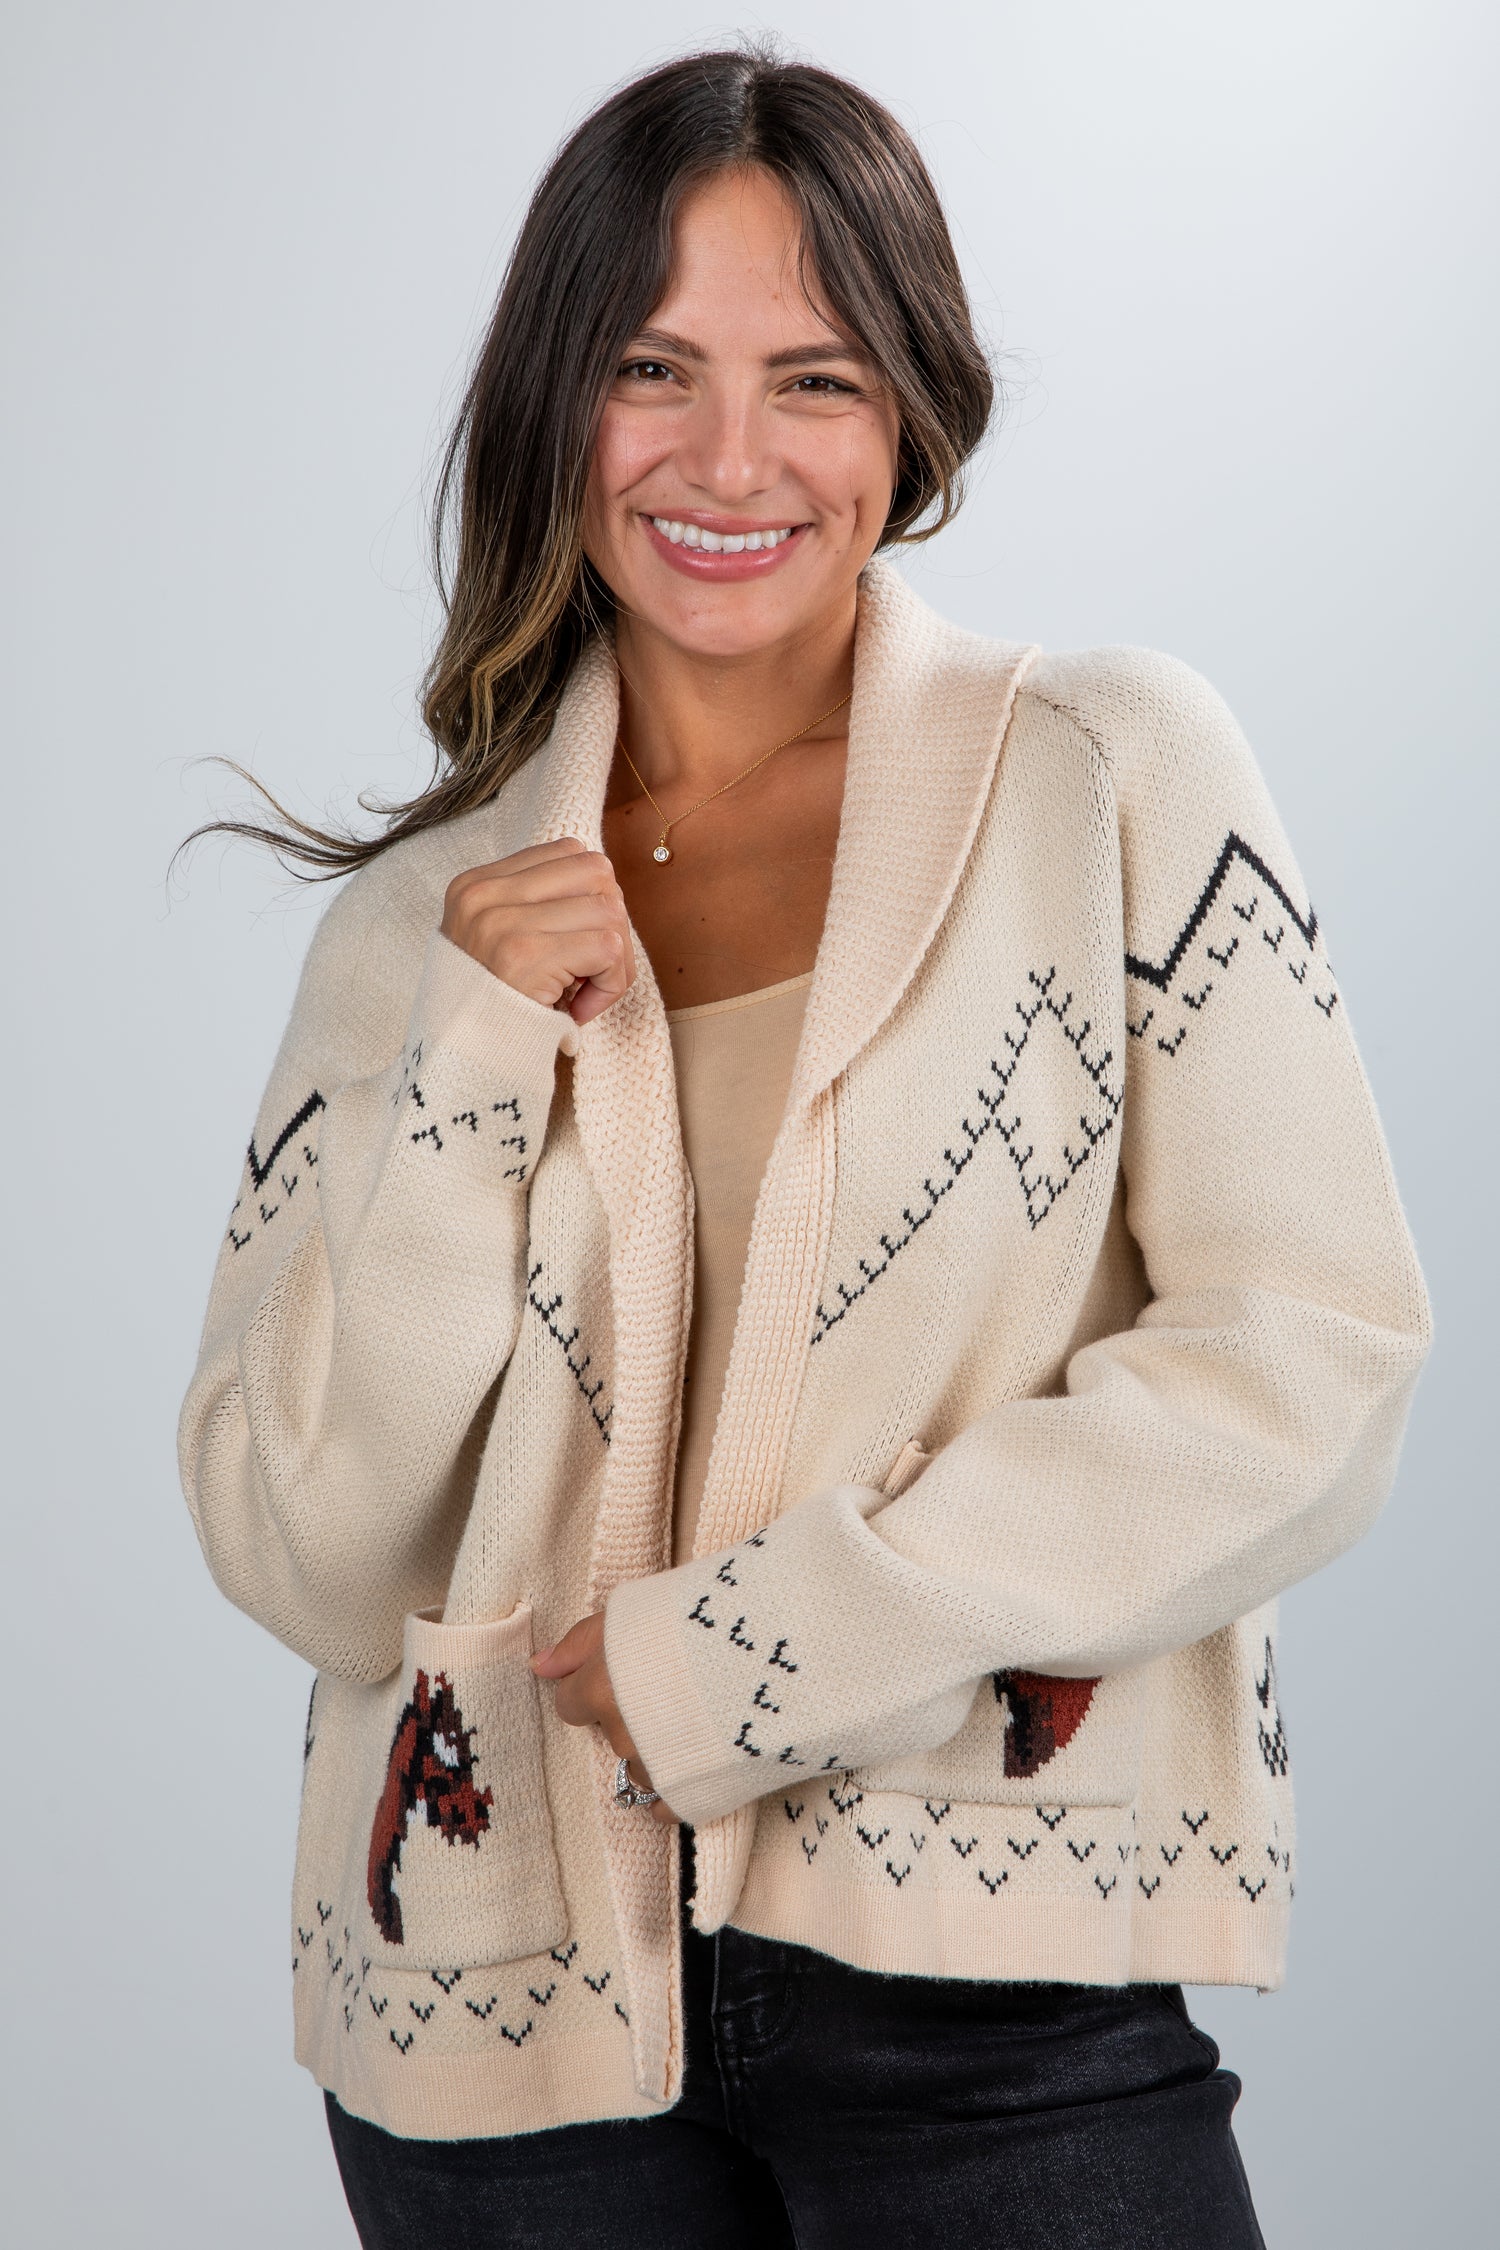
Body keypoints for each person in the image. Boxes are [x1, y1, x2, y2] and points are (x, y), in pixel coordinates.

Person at [177, 47, 1430, 2250]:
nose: (729, 459)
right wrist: (474, 1064)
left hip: (999, 2012)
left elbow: (1307, 1366)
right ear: (556, 400)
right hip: (495, 2043)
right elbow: (303, 1554)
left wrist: (756, 1652)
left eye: (816, 377)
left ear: (914, 417)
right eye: (652, 368)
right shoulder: (419, 933)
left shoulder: (1113, 777)